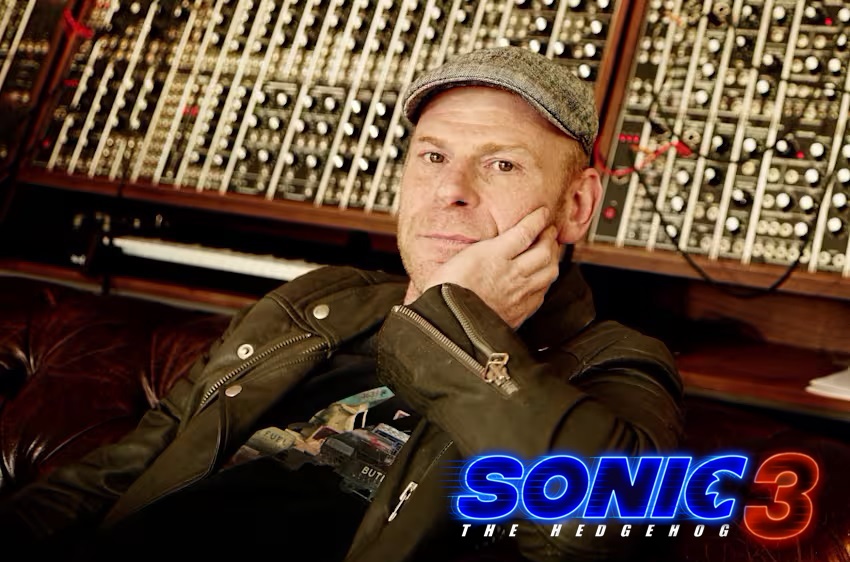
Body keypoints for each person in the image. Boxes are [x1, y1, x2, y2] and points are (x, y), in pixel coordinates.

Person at [0, 47, 682, 561]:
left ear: (578, 204)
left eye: (501, 164)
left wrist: (450, 325)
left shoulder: (611, 364)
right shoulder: (320, 299)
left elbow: (595, 525)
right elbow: (120, 469)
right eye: (433, 156)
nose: (451, 190)